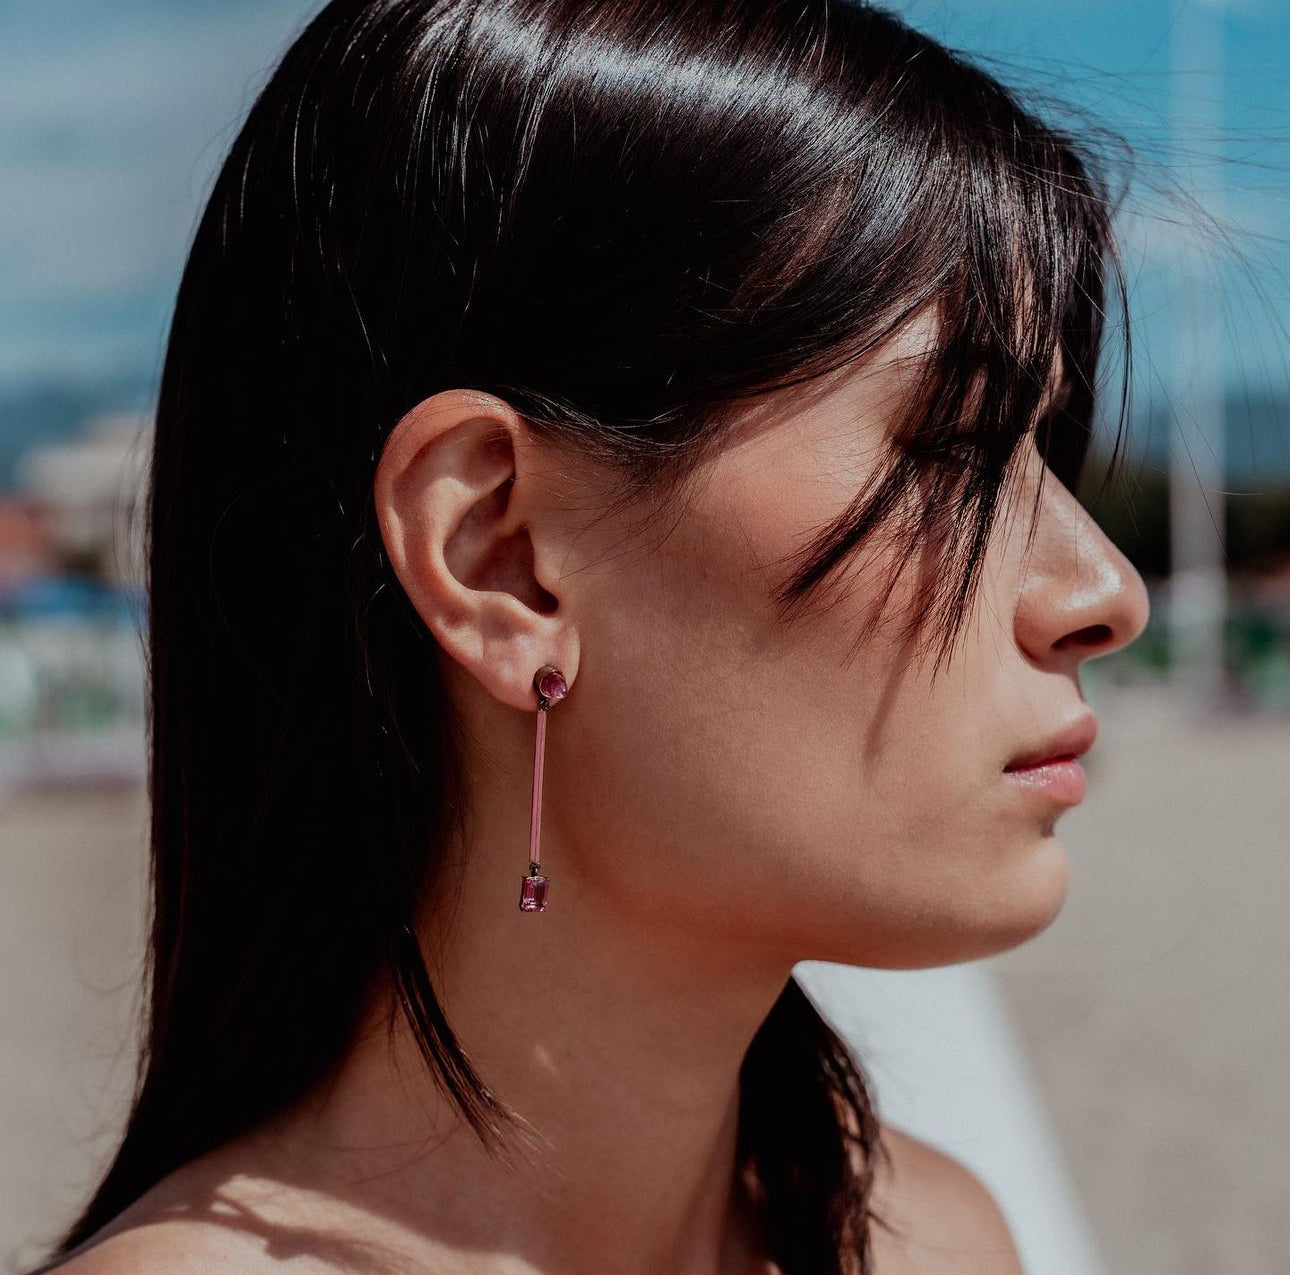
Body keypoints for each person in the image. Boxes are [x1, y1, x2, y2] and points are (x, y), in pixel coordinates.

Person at [38, 0, 1150, 1271]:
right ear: (501, 558)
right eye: (950, 448)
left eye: (1045, 457)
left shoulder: (931, 1242)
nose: (1107, 589)